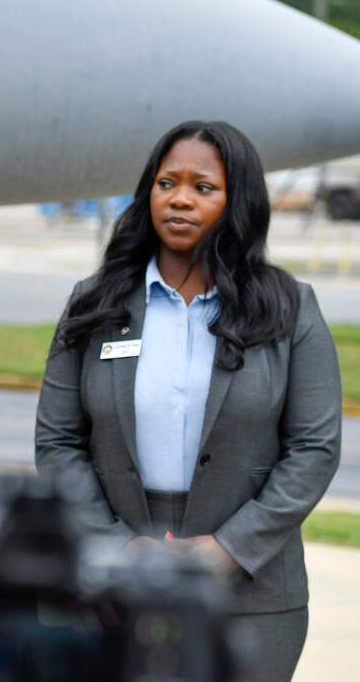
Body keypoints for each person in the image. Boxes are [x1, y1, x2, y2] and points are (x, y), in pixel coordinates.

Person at [35, 120, 341, 682]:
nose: (179, 199)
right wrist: (117, 545)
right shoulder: (94, 303)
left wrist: (230, 548)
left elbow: (314, 448)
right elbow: (57, 443)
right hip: (112, 588)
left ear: (236, 201)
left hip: (253, 592)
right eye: (166, 183)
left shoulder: (291, 308)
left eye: (203, 187)